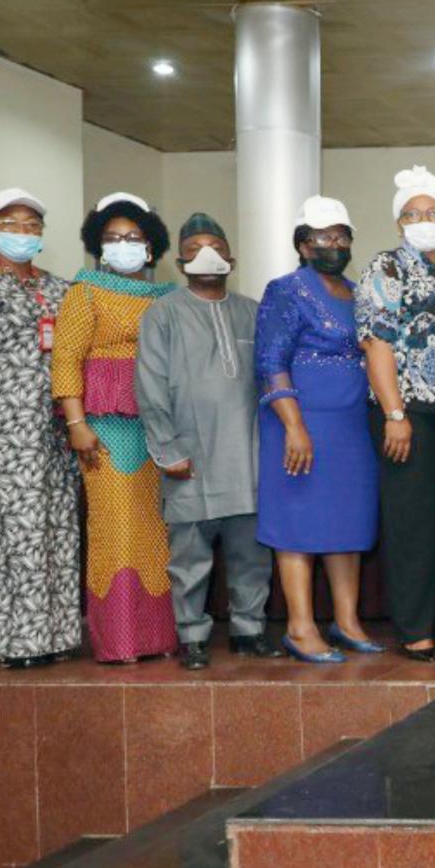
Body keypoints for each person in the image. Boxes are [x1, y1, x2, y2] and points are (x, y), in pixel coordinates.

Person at [135, 213, 281, 670]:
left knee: (251, 555)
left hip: (248, 458)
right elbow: (150, 385)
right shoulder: (163, 314)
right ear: (179, 261)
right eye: (195, 247)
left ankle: (249, 629)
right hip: (190, 457)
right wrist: (167, 449)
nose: (207, 255)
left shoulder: (252, 310)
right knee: (190, 558)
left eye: (215, 245)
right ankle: (193, 635)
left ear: (231, 258)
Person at [0, 189, 82, 668]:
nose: (22, 233)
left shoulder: (59, 288)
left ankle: (46, 639)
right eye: (11, 222)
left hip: (46, 434)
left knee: (47, 531)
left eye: (32, 225)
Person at [357, 166, 435, 663]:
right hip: (405, 412)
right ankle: (414, 626)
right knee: (412, 521)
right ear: (398, 222)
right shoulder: (384, 268)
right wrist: (394, 413)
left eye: (432, 213)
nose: (423, 220)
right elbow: (376, 344)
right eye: (412, 213)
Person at [254, 196, 382, 664]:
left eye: (341, 236)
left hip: (352, 425)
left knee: (349, 523)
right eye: (323, 238)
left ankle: (346, 621)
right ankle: (300, 626)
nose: (334, 244)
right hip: (300, 423)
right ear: (303, 245)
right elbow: (270, 361)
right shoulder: (287, 289)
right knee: (298, 524)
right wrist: (295, 427)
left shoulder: (357, 290)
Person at [52, 193, 177, 664]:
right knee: (116, 528)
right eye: (113, 238)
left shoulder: (168, 297)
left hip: (158, 425)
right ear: (98, 246)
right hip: (104, 426)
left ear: (151, 246)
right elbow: (66, 359)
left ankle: (159, 638)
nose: (123, 245)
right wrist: (76, 423)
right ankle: (120, 640)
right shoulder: (85, 292)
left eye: (133, 237)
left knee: (155, 531)